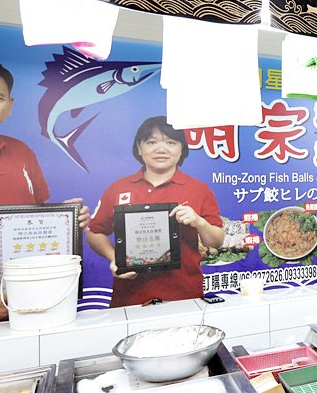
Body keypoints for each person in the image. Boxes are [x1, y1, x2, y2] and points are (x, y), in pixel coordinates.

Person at [0, 57, 89, 327]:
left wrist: (65, 220)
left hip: (28, 302)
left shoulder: (21, 151)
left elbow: (33, 216)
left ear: (9, 105)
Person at [87, 116, 224, 307]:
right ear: (139, 148)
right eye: (151, 142)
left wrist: (199, 222)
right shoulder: (118, 188)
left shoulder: (199, 189)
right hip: (129, 297)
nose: (161, 149)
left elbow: (216, 241)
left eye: (170, 142)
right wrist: (114, 259)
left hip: (184, 295)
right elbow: (95, 231)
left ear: (182, 148)